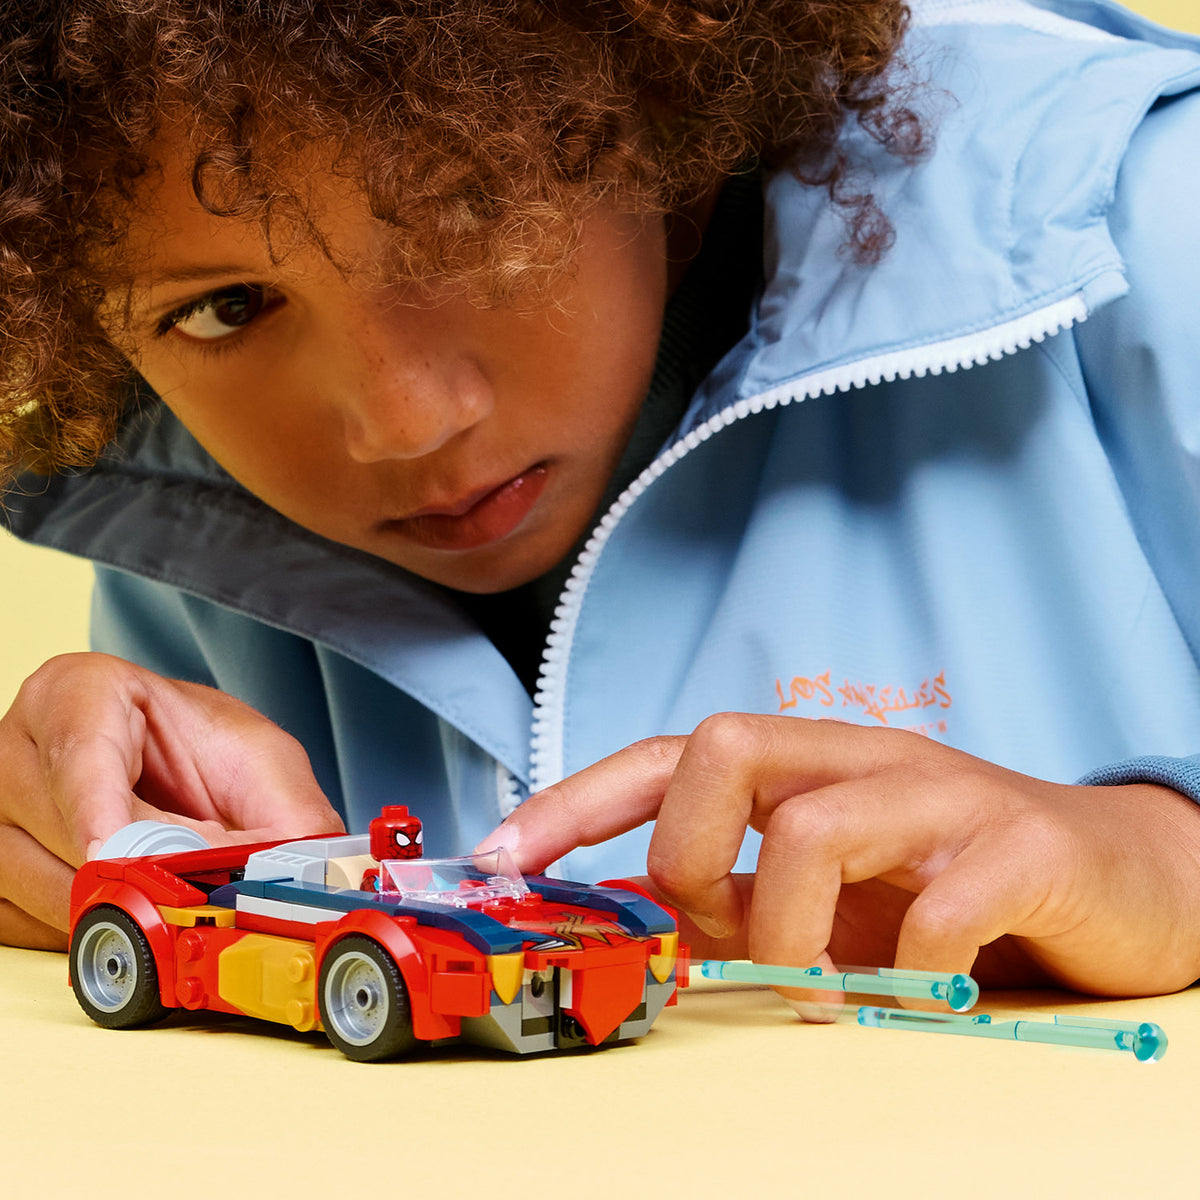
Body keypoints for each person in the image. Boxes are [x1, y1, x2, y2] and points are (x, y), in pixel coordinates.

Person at [2, 0, 1199, 1007]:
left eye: (465, 206)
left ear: (662, 98)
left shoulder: (1150, 220)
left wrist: (1169, 853)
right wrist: (94, 840)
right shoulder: (175, 506)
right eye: (225, 309)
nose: (404, 419)